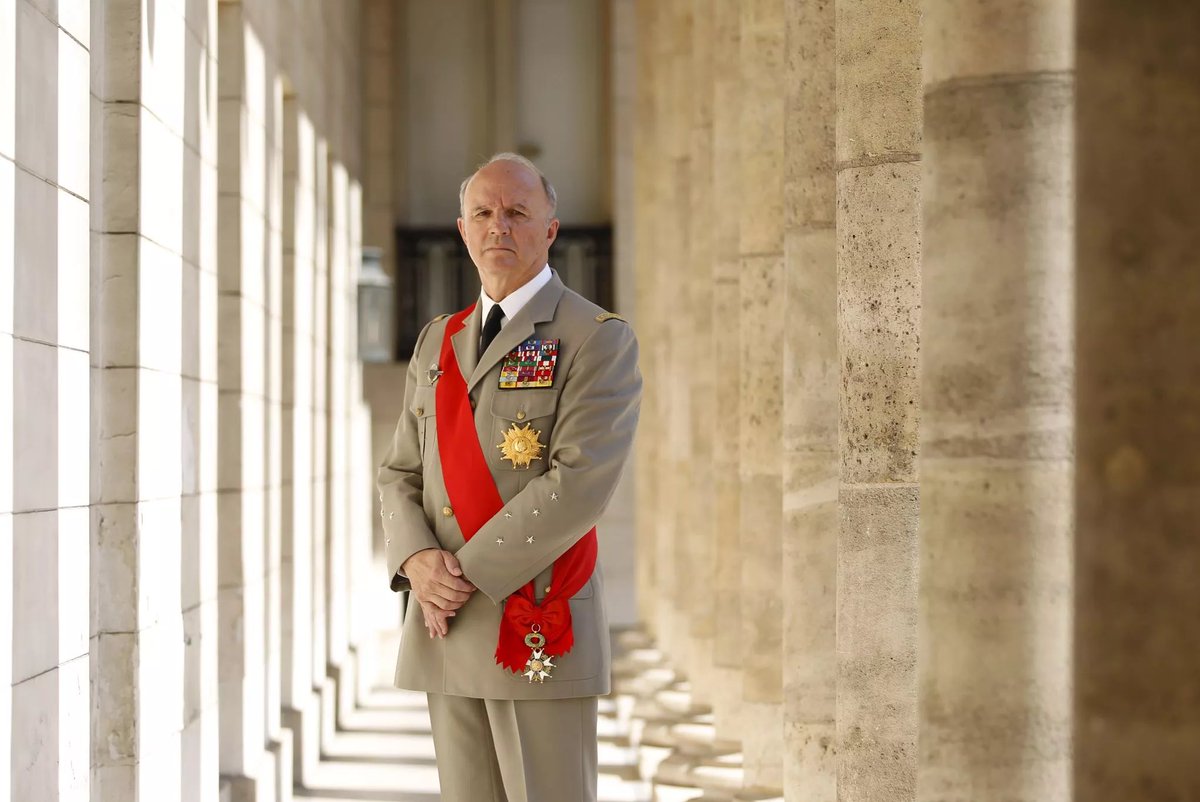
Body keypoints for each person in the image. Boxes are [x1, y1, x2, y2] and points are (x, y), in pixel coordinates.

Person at [377, 153, 642, 802]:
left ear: (550, 229)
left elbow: (578, 483)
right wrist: (416, 560)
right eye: (484, 213)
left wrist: (455, 576)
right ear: (462, 230)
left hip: (530, 616)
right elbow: (399, 472)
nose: (500, 226)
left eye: (518, 212)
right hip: (446, 622)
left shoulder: (595, 337)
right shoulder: (438, 340)